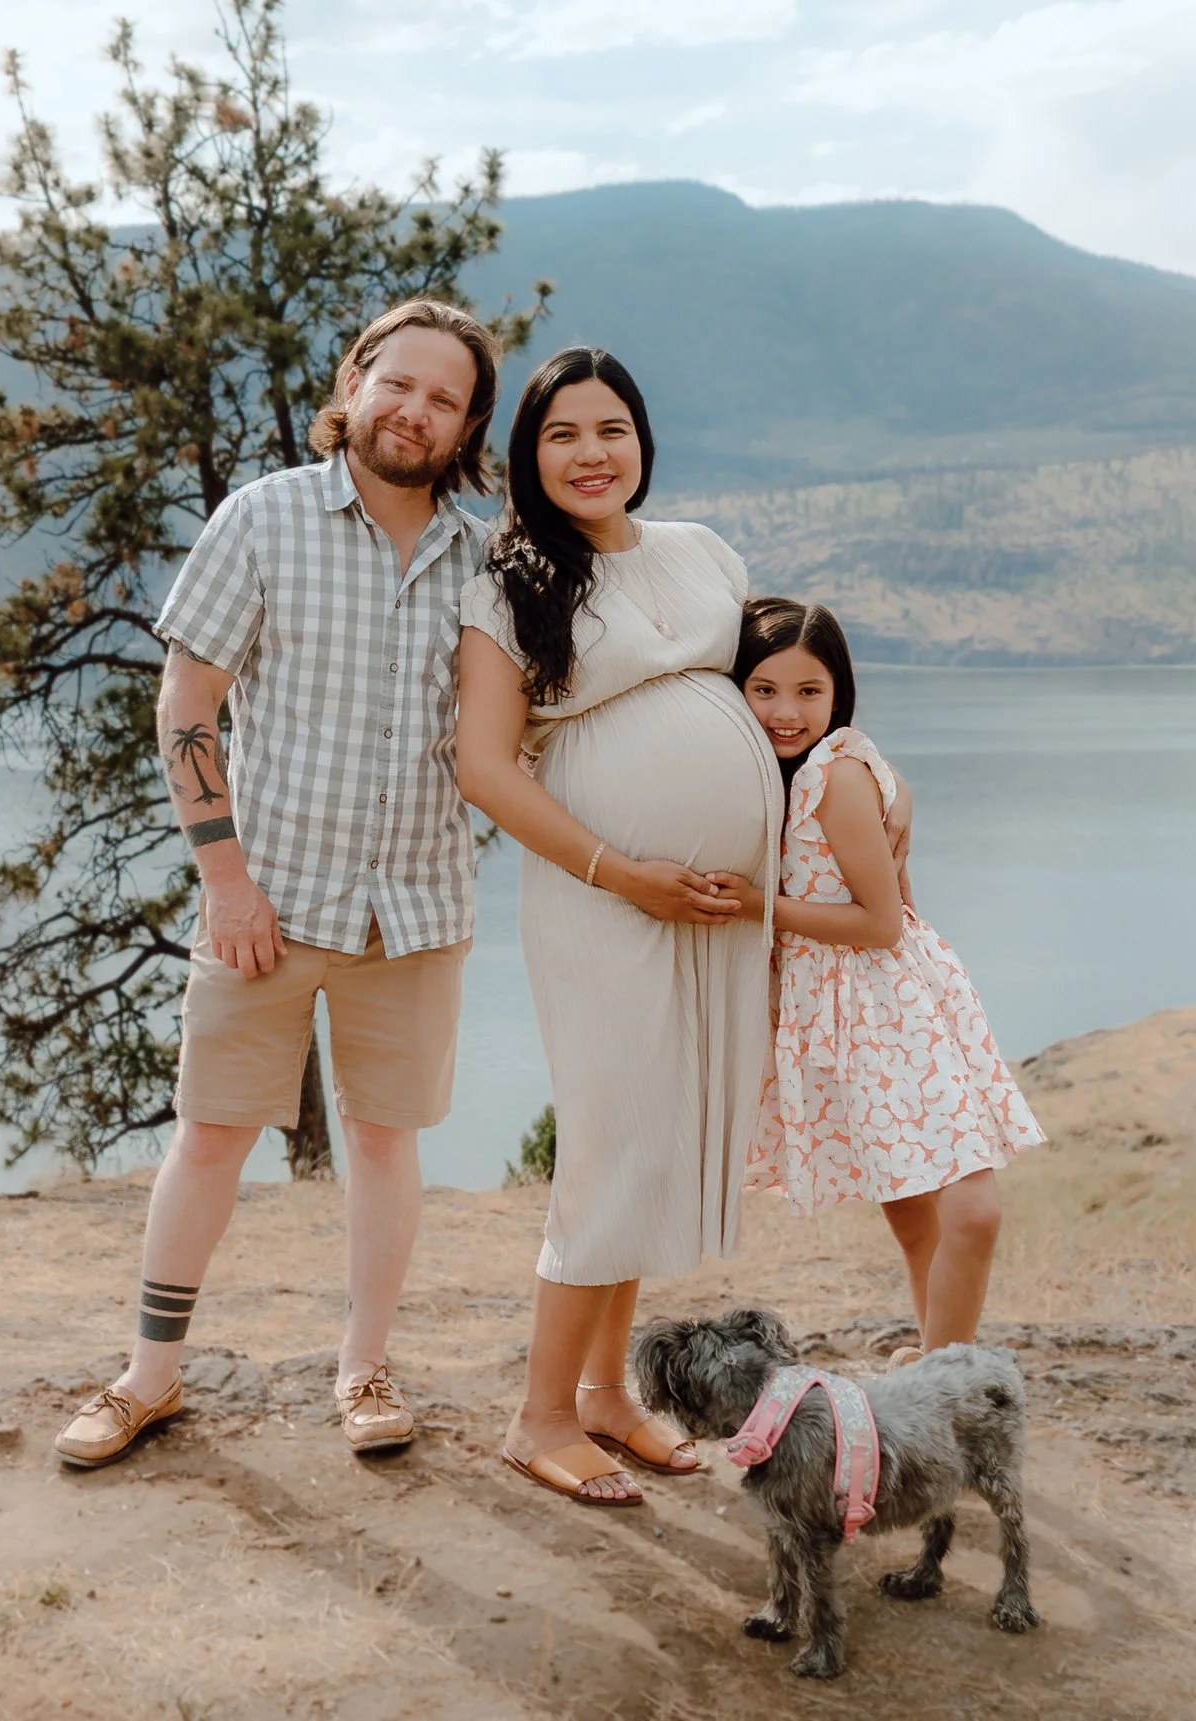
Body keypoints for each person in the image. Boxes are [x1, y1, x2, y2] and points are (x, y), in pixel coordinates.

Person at [53, 300, 506, 1468]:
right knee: (208, 1136)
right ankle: (148, 1376)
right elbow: (184, 705)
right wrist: (225, 878)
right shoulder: (261, 518)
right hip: (266, 899)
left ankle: (363, 1370)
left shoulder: (482, 558)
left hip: (416, 904)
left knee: (385, 1142)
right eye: (395, 382)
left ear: (465, 427)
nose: (413, 410)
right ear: (354, 381)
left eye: (442, 398)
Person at [452, 345, 785, 1507]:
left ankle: (604, 1394)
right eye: (561, 434)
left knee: (654, 1136)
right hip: (601, 895)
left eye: (611, 429)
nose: (590, 453)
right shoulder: (509, 580)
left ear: (642, 440)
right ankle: (537, 1414)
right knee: (606, 1139)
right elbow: (485, 767)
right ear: (527, 457)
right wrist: (620, 869)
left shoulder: (703, 553)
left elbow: (777, 697)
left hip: (712, 907)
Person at [713, 598, 1044, 1363]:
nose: (786, 711)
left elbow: (881, 923)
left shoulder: (833, 774)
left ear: (839, 694)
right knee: (911, 1215)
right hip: (838, 1011)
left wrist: (759, 909)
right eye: (763, 689)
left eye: (808, 691)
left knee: (970, 1209)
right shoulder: (774, 776)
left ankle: (948, 1383)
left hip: (889, 1003)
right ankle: (938, 1357)